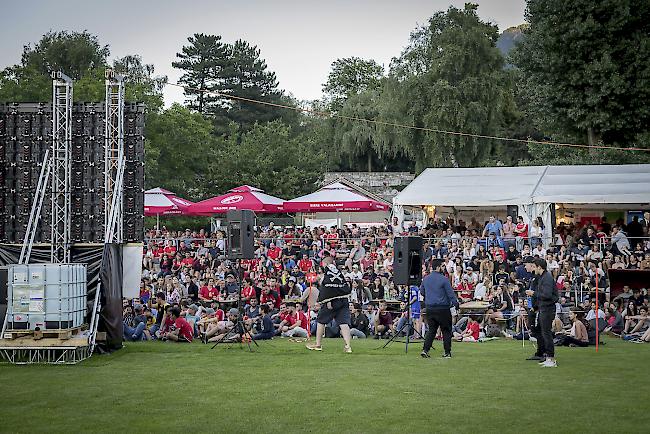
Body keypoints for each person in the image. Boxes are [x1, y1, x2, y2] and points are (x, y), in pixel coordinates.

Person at [306, 254, 353, 353]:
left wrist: (327, 301)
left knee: (320, 321)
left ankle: (318, 344)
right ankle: (348, 346)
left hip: (330, 301)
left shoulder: (326, 273)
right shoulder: (339, 273)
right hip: (343, 300)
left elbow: (326, 287)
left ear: (325, 263)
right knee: (343, 323)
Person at [420, 258, 459, 359]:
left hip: (430, 308)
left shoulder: (426, 278)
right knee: (446, 330)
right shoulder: (444, 279)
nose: (444, 268)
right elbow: (451, 294)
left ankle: (425, 350)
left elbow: (422, 292)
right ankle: (447, 352)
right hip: (442, 308)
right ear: (437, 267)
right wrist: (456, 304)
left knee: (431, 330)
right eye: (442, 266)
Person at [526, 258, 559, 368]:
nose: (533, 269)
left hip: (548, 309)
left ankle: (551, 358)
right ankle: (548, 357)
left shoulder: (547, 278)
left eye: (534, 266)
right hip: (543, 308)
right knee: (544, 332)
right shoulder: (543, 277)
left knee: (546, 333)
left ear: (539, 267)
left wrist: (533, 293)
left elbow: (547, 295)